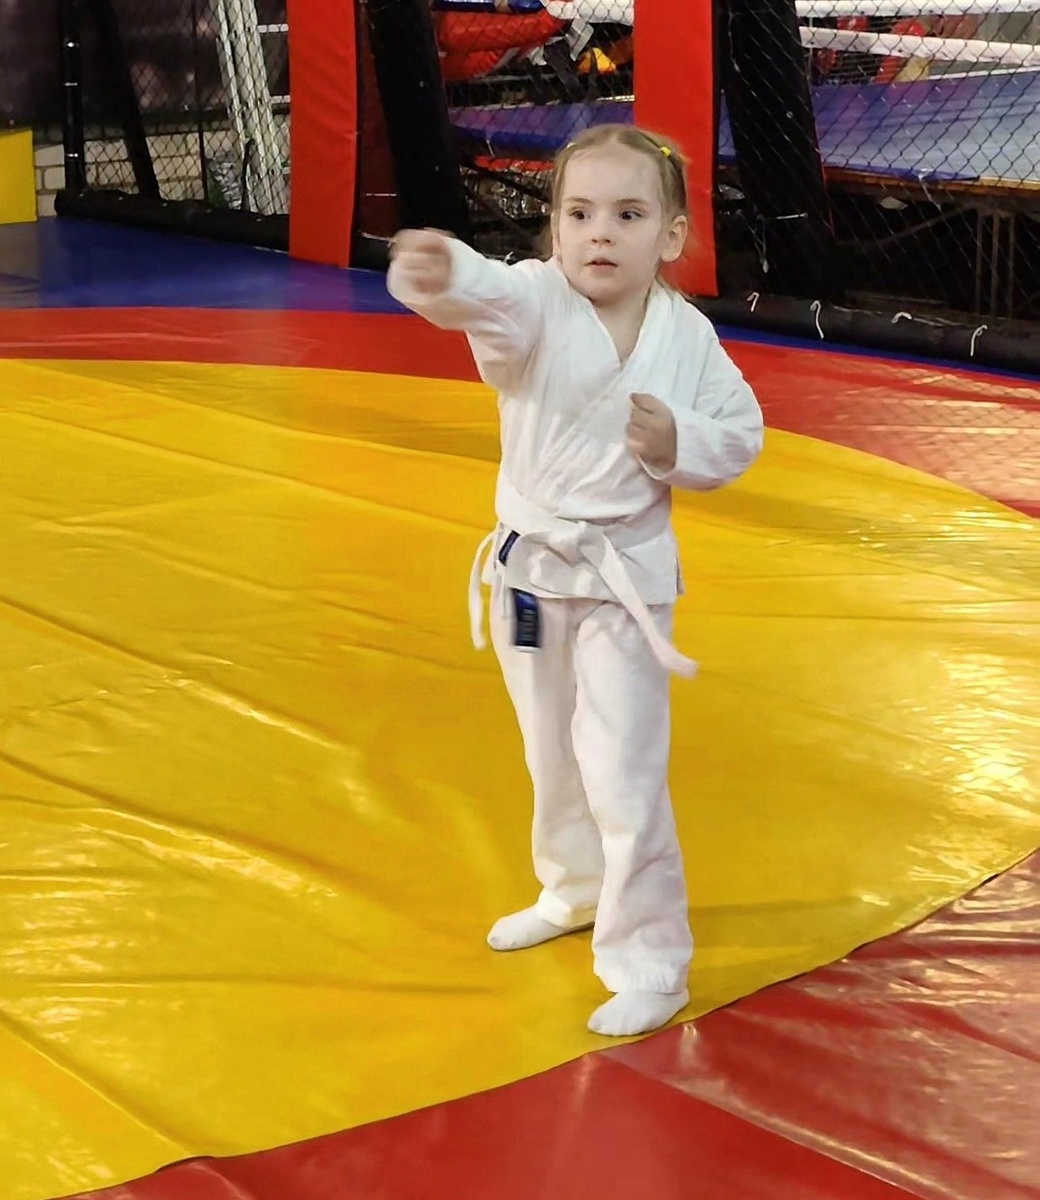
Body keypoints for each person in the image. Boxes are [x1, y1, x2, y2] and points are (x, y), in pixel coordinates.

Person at [387, 124, 763, 1037]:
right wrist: (445, 272)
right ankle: (573, 888)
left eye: (628, 215)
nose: (601, 233)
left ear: (671, 235)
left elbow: (741, 432)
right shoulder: (536, 302)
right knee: (549, 751)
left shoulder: (687, 335)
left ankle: (651, 960)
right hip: (532, 571)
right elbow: (489, 295)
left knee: (623, 770)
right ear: (553, 227)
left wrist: (680, 442)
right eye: (580, 214)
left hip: (623, 579)